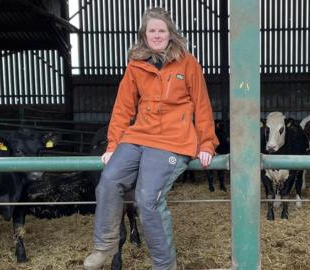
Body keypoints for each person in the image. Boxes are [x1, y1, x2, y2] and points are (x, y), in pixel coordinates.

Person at [83, 7, 219, 270]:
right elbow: (123, 107)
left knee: (148, 199)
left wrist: (207, 143)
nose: (156, 35)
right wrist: (113, 144)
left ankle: (165, 265)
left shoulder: (187, 63)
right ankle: (105, 246)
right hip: (139, 135)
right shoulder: (135, 66)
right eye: (151, 31)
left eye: (161, 30)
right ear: (144, 35)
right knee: (108, 181)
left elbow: (202, 105)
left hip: (172, 139)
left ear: (171, 33)